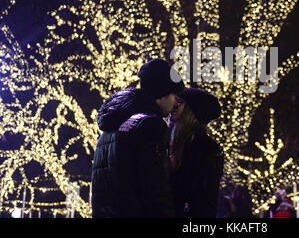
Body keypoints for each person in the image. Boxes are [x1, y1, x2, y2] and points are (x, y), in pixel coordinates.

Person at [91, 58, 184, 217]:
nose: (176, 102)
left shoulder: (112, 126)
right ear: (161, 94)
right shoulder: (150, 125)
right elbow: (155, 188)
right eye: (175, 95)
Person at [168, 88, 224, 218]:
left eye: (180, 101)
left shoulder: (207, 149)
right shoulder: (169, 141)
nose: (173, 105)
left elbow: (205, 201)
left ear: (191, 111)